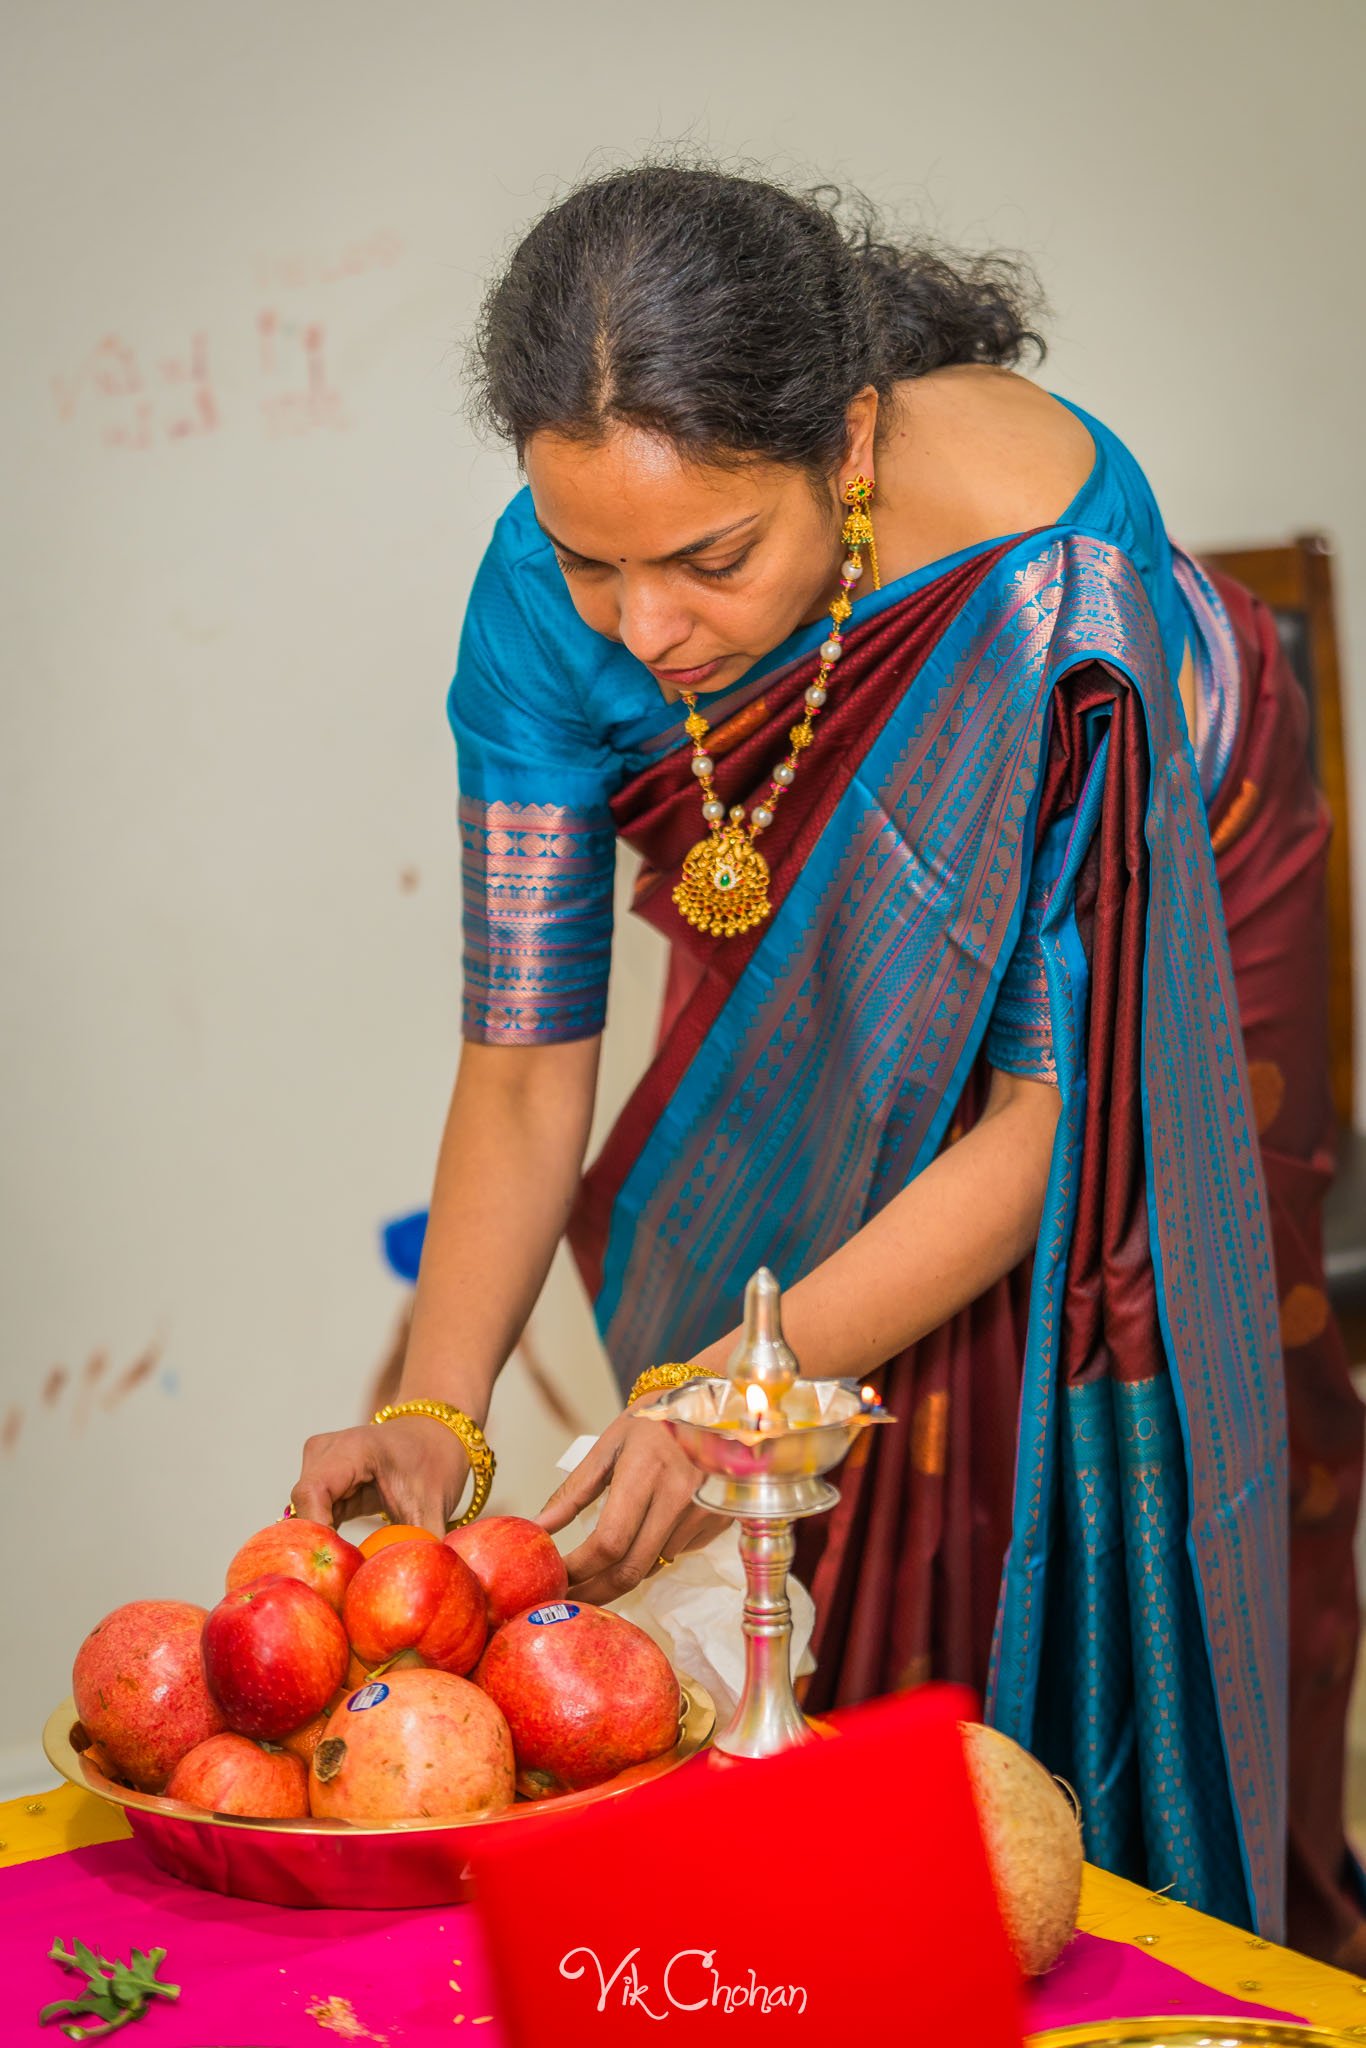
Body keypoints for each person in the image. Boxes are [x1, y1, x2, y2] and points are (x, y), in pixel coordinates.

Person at [291, 164, 1361, 1961]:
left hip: (1184, 903)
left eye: (711, 561)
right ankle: (848, 1915)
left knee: (1102, 1387)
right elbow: (523, 1060)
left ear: (848, 444)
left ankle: (1152, 1921)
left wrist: (733, 1394)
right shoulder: (544, 603)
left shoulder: (1055, 590)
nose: (641, 628)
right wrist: (434, 1410)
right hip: (835, 935)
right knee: (815, 1455)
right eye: (587, 560)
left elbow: (1047, 1119)